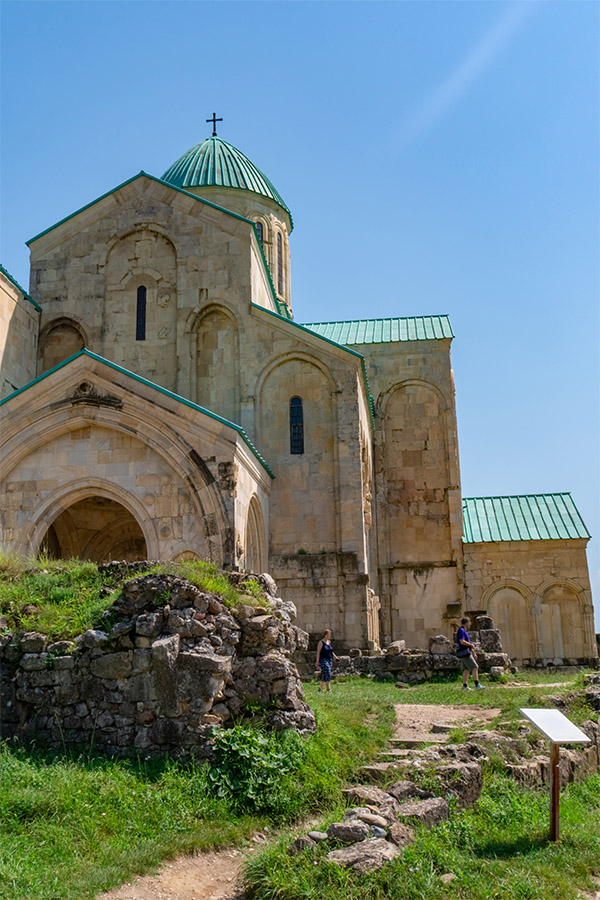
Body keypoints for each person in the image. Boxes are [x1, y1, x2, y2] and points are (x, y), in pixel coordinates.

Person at [456, 617, 484, 690]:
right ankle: (477, 685)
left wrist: (473, 652)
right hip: (464, 652)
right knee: (475, 667)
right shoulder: (461, 630)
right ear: (466, 623)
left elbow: (469, 643)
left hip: (466, 652)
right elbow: (462, 641)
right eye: (469, 622)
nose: (470, 624)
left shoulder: (464, 631)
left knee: (467, 669)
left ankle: (465, 686)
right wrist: (471, 645)